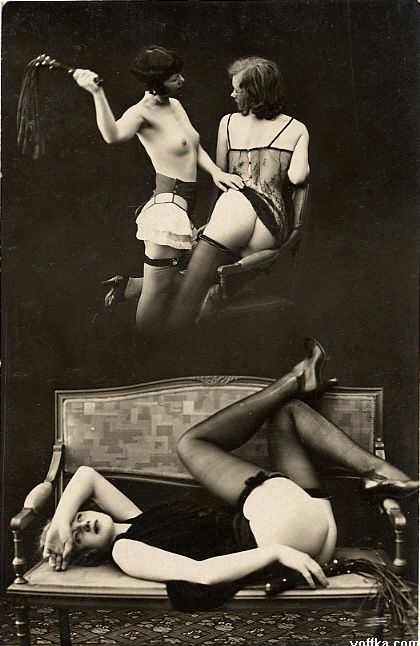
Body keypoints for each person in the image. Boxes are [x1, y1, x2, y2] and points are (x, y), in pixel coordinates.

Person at [41, 339, 418, 612]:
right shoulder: (125, 550)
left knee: (286, 415)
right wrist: (277, 551)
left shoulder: (136, 521)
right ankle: (299, 381)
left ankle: (373, 468)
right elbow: (201, 573)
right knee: (191, 444)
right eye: (77, 537)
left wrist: (59, 521)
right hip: (278, 538)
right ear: (86, 556)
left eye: (78, 518)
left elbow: (86, 475)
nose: (81, 525)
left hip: (312, 527)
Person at [73, 46, 243, 337]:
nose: (182, 80)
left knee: (172, 282)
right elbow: (112, 135)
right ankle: (147, 352)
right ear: (155, 82)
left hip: (183, 203)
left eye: (180, 74)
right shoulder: (141, 113)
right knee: (157, 294)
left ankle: (131, 286)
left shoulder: (174, 105)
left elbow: (193, 146)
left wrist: (217, 172)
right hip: (168, 208)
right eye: (174, 78)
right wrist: (96, 93)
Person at [168, 56, 310, 329]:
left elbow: (222, 176)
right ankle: (169, 299)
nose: (232, 94)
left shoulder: (229, 123)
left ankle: (166, 332)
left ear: (254, 93)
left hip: (236, 214)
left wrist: (214, 223)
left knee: (188, 289)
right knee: (201, 279)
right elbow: (298, 177)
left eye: (237, 89)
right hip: (271, 229)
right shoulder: (296, 128)